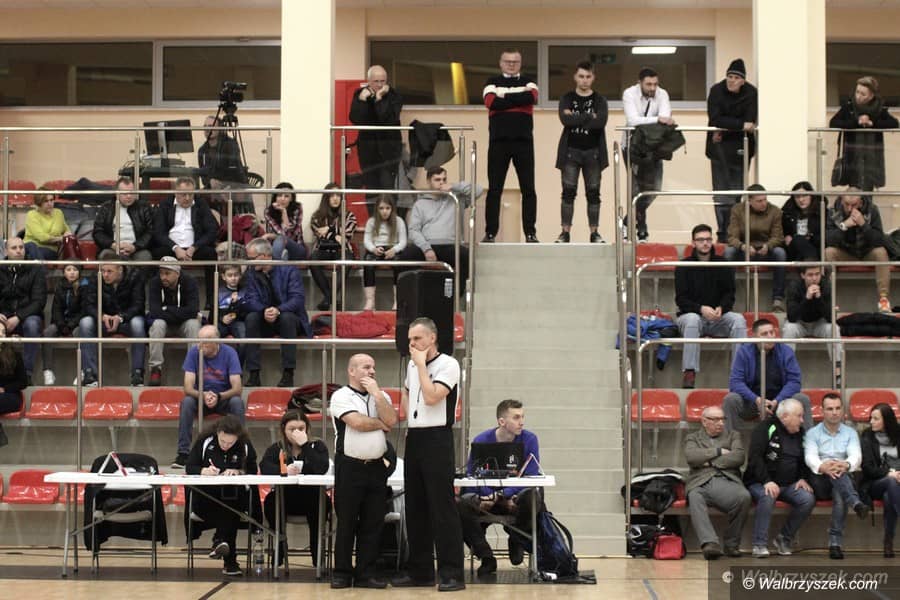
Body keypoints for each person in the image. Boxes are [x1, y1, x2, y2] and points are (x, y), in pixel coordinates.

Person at [393, 317, 465, 592]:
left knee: (442, 507)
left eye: (417, 339)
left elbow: (433, 396)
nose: (412, 344)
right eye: (410, 340)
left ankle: (452, 573)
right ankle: (420, 571)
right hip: (416, 438)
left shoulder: (448, 364)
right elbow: (407, 392)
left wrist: (422, 365)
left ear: (432, 338)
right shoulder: (412, 365)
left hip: (437, 438)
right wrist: (411, 418)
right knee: (415, 507)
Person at [329, 353, 398, 589]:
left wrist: (377, 394)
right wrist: (380, 424)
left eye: (373, 367)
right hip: (350, 466)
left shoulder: (382, 396)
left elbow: (392, 419)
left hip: (376, 467)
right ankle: (341, 573)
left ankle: (366, 573)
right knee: (347, 522)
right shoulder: (341, 396)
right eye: (366, 367)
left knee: (373, 523)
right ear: (352, 371)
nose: (372, 371)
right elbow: (357, 423)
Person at [457, 399, 541, 577]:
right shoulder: (481, 440)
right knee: (461, 504)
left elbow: (531, 475)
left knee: (533, 498)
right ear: (502, 421)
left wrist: (504, 494)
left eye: (522, 417)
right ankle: (486, 556)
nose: (521, 422)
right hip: (486, 499)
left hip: (513, 500)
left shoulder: (530, 439)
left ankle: (517, 537)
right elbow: (472, 475)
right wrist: (490, 496)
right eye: (516, 417)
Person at [185, 414, 258, 577]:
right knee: (229, 512)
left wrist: (239, 471)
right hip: (206, 498)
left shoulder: (245, 445)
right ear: (218, 433)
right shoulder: (205, 441)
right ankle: (229, 560)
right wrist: (204, 470)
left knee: (230, 506)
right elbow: (190, 467)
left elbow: (253, 469)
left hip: (233, 497)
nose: (226, 445)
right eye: (223, 441)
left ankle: (220, 541)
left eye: (230, 443)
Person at [674, 224, 746, 389]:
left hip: (718, 317)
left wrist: (722, 308)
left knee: (739, 320)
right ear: (693, 243)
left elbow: (730, 294)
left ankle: (738, 374)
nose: (705, 243)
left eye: (708, 239)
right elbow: (681, 300)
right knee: (692, 320)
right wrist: (701, 309)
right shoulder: (683, 266)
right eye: (700, 240)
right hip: (692, 316)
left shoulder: (723, 264)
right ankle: (689, 372)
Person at [743, 398, 815, 558]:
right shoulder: (765, 428)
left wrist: (803, 478)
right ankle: (759, 544)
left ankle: (784, 538)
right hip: (760, 482)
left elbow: (804, 459)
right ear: (785, 416)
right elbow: (755, 458)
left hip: (789, 484)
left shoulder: (800, 432)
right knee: (768, 495)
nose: (802, 420)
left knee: (807, 499)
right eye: (799, 416)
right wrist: (767, 481)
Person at [259, 409, 330, 566]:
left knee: (322, 502)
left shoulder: (317, 446)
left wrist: (305, 445)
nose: (297, 433)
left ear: (307, 429)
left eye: (301, 428)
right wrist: (283, 470)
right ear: (284, 430)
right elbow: (264, 467)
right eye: (292, 429)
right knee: (270, 501)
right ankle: (280, 547)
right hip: (285, 497)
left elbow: (321, 467)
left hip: (312, 496)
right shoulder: (277, 448)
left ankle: (317, 553)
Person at [482, 48, 539, 244]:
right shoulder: (491, 81)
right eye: (508, 61)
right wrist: (517, 99)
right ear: (501, 63)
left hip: (524, 142)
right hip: (498, 142)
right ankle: (490, 233)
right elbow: (491, 102)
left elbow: (531, 97)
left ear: (520, 63)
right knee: (494, 190)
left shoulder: (529, 81)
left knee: (528, 189)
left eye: (515, 62)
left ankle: (530, 233)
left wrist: (503, 96)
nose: (511, 65)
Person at [803, 392, 869, 559]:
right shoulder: (812, 433)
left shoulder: (850, 433)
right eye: (830, 409)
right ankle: (855, 503)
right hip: (820, 480)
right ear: (822, 411)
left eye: (838, 408)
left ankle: (835, 545)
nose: (834, 412)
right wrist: (823, 466)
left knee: (840, 493)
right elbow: (810, 457)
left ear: (842, 410)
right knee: (839, 479)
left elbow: (856, 456)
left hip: (842, 477)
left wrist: (845, 464)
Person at [684, 405, 750, 560]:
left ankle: (731, 543)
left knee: (744, 497)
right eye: (715, 419)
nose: (721, 423)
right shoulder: (693, 438)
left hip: (726, 479)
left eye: (722, 419)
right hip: (699, 481)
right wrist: (718, 451)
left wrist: (709, 463)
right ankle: (710, 543)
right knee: (694, 496)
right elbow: (692, 457)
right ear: (704, 421)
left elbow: (738, 457)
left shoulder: (733, 435)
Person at [172, 325, 244, 468]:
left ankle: (240, 451)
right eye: (199, 340)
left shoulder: (230, 353)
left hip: (222, 398)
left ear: (216, 341)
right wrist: (203, 395)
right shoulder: (194, 352)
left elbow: (237, 388)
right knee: (187, 402)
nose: (200, 344)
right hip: (200, 398)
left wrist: (219, 396)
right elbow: (188, 387)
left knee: (237, 402)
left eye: (205, 341)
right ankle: (183, 453)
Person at [722, 318, 812, 431]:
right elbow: (735, 382)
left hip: (780, 402)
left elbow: (794, 382)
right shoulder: (744, 352)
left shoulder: (786, 351)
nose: (770, 336)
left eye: (772, 332)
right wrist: (757, 400)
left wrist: (776, 401)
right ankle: (729, 440)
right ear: (755, 337)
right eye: (765, 334)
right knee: (730, 399)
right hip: (751, 402)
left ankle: (809, 441)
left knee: (802, 398)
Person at [243, 238, 310, 388]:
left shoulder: (289, 270)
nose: (249, 262)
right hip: (265, 317)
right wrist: (263, 310)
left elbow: (297, 299)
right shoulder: (251, 273)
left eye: (252, 258)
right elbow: (249, 299)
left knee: (287, 318)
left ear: (266, 255)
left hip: (289, 318)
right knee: (251, 318)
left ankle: (288, 373)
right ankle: (254, 374)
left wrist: (279, 310)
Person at [555, 60, 608, 244]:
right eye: (581, 76)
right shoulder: (567, 98)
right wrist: (589, 116)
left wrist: (576, 117)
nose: (584, 80)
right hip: (571, 152)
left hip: (593, 153)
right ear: (575, 77)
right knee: (568, 192)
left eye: (588, 76)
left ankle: (594, 233)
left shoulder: (600, 100)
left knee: (593, 193)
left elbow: (600, 122)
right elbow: (565, 120)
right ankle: (565, 233)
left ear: (593, 78)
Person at [397, 167, 470, 298]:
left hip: (449, 245)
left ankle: (455, 300)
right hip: (426, 245)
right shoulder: (420, 204)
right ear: (429, 181)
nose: (441, 183)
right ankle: (406, 299)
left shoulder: (455, 199)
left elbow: (477, 191)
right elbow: (413, 230)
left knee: (465, 256)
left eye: (444, 179)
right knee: (403, 258)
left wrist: (454, 186)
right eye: (437, 180)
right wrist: (426, 249)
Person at [706, 58, 758, 243]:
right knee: (721, 194)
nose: (732, 80)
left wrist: (728, 125)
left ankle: (734, 233)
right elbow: (715, 119)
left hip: (741, 149)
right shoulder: (716, 90)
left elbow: (751, 119)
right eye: (729, 76)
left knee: (737, 194)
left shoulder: (751, 93)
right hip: (718, 149)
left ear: (743, 80)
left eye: (736, 78)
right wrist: (739, 124)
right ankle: (722, 233)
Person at [622, 67, 674, 242]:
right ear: (640, 83)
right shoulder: (629, 93)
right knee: (637, 189)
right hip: (633, 147)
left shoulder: (662, 94)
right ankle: (641, 230)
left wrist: (660, 120)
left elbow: (665, 119)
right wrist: (657, 119)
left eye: (655, 84)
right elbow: (632, 120)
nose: (652, 88)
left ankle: (627, 221)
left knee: (654, 189)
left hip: (654, 148)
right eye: (648, 84)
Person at [151, 176, 219, 307]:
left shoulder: (200, 203)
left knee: (211, 254)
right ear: (175, 192)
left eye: (190, 194)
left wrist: (194, 247)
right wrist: (175, 248)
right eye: (183, 194)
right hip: (171, 248)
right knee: (156, 254)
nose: (187, 198)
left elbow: (212, 230)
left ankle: (211, 302)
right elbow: (158, 232)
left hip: (194, 248)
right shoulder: (166, 204)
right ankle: (160, 301)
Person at [825, 189, 891, 312]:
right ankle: (830, 300)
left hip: (867, 252)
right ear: (842, 200)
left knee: (881, 252)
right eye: (846, 204)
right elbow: (828, 240)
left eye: (854, 205)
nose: (850, 209)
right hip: (845, 253)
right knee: (828, 252)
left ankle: (883, 299)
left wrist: (863, 224)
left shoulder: (872, 210)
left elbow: (879, 240)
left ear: (860, 202)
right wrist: (844, 226)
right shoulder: (832, 211)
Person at [348, 65, 403, 214]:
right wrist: (362, 100)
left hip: (389, 151)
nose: (379, 84)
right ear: (368, 81)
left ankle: (390, 223)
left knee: (387, 188)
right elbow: (355, 119)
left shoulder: (394, 96)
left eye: (382, 81)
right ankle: (373, 222)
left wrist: (379, 99)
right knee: (371, 189)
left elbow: (387, 119)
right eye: (376, 81)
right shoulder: (360, 94)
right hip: (367, 150)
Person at [828, 76, 899, 191]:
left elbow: (894, 123)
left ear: (871, 95)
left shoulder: (879, 108)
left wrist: (872, 123)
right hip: (852, 156)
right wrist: (856, 122)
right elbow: (833, 123)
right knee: (853, 189)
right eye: (857, 92)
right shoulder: (849, 107)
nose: (858, 96)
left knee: (868, 189)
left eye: (863, 94)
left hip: (872, 157)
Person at [723, 184, 786, 312]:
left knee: (780, 253)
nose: (764, 203)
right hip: (744, 250)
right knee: (728, 252)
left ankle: (777, 299)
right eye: (759, 201)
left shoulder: (775, 211)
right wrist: (743, 246)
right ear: (749, 201)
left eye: (765, 199)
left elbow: (778, 237)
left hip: (766, 250)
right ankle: (727, 298)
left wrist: (768, 246)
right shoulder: (737, 210)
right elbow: (731, 237)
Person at [83, 263, 147, 386]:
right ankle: (90, 374)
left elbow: (138, 305)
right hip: (103, 322)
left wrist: (121, 317)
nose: (105, 275)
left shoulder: (135, 276)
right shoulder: (96, 277)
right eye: (103, 271)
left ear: (120, 270)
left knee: (138, 323)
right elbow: (88, 305)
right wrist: (102, 316)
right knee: (85, 322)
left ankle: (137, 374)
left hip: (126, 321)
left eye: (109, 271)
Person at [146, 256, 201, 386]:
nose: (163, 277)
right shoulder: (154, 283)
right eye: (161, 273)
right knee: (157, 324)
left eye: (167, 273)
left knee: (194, 324)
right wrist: (179, 312)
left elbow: (193, 311)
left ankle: (194, 370)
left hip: (184, 325)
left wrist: (167, 309)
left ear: (177, 273)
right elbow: (155, 312)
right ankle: (155, 369)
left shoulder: (189, 282)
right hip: (165, 325)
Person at [0, 237, 47, 385]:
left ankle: (27, 374)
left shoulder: (35, 268)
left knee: (32, 325)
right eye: (14, 248)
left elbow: (39, 301)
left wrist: (18, 317)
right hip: (4, 314)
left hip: (28, 315)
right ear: (6, 251)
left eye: (21, 247)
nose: (19, 251)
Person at [41, 264, 96, 386]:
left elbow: (85, 309)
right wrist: (61, 325)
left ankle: (82, 370)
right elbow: (56, 309)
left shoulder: (85, 286)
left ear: (79, 272)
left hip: (76, 323)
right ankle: (47, 370)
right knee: (48, 332)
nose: (72, 272)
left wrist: (71, 325)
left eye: (75, 270)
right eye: (68, 270)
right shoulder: (60, 286)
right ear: (64, 272)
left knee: (79, 333)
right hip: (62, 322)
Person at [309, 183, 357, 311]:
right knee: (313, 260)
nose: (335, 198)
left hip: (342, 249)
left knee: (348, 260)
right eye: (332, 195)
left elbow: (347, 235)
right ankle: (330, 297)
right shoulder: (317, 216)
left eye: (338, 195)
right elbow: (319, 233)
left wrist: (329, 230)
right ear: (326, 198)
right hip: (323, 249)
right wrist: (336, 234)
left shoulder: (349, 216)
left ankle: (328, 299)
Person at [861, 403, 900, 557]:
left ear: (887, 420)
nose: (871, 421)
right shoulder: (867, 436)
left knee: (889, 497)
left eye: (876, 418)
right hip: (875, 483)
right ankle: (888, 541)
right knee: (891, 482)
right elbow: (868, 468)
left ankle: (888, 541)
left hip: (897, 483)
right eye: (871, 418)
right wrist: (889, 473)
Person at [783, 264, 840, 363]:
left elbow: (831, 318)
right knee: (789, 328)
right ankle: (786, 367)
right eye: (810, 275)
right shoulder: (794, 286)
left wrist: (819, 298)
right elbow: (792, 317)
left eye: (817, 274)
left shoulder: (826, 285)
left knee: (834, 328)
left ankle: (837, 368)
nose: (814, 278)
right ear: (802, 275)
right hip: (800, 323)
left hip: (819, 323)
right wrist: (807, 298)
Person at [197, 115, 251, 215]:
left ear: (219, 129)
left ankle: (228, 222)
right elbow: (203, 175)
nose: (207, 129)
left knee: (222, 197)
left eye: (211, 126)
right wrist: (210, 182)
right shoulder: (202, 150)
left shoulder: (230, 144)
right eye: (205, 126)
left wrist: (220, 184)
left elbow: (234, 170)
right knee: (196, 197)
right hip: (212, 187)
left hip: (232, 184)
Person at [92, 176, 154, 261]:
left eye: (131, 193)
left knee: (145, 257)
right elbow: (97, 232)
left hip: (137, 249)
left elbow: (150, 231)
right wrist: (113, 245)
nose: (129, 196)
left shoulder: (144, 207)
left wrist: (135, 246)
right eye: (125, 193)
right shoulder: (106, 208)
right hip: (112, 248)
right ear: (117, 193)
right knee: (105, 256)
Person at [362, 194, 407, 310]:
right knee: (368, 263)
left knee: (399, 263)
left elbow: (403, 241)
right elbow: (367, 240)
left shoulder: (399, 221)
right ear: (377, 209)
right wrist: (373, 249)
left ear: (392, 208)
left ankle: (397, 300)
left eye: (387, 208)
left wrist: (394, 250)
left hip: (393, 248)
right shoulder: (371, 221)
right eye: (381, 208)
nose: (384, 211)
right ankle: (370, 300)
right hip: (376, 249)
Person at [263, 182, 307, 262]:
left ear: (291, 199)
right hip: (277, 248)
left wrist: (284, 212)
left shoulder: (297, 208)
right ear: (275, 197)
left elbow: (289, 236)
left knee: (281, 239)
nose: (282, 199)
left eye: (286, 196)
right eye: (279, 195)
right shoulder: (268, 211)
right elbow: (282, 234)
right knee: (283, 253)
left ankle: (276, 264)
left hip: (296, 247)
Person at [0, 322, 27, 447]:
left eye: (3, 332)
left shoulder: (14, 354)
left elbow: (23, 382)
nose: (1, 334)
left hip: (10, 395)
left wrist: (4, 389)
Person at [781, 181, 823, 261]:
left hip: (814, 247)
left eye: (804, 195)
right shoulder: (788, 213)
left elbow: (824, 236)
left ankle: (809, 265)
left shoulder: (820, 212)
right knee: (797, 239)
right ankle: (812, 265)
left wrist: (810, 237)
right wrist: (786, 236)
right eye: (797, 197)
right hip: (794, 249)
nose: (801, 200)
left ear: (811, 196)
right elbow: (784, 232)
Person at [23, 191, 71, 260]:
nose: (50, 203)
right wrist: (60, 238)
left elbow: (67, 231)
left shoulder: (58, 213)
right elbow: (42, 238)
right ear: (39, 203)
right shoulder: (32, 215)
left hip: (50, 250)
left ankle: (40, 267)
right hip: (30, 247)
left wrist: (67, 234)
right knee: (31, 246)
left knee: (35, 255)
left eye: (51, 200)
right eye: (46, 201)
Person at [216, 264, 247, 364]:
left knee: (244, 341)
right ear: (223, 277)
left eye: (236, 275)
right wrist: (221, 318)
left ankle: (236, 369)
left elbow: (246, 313)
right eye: (230, 275)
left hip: (238, 322)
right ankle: (217, 368)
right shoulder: (218, 291)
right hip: (222, 322)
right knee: (211, 338)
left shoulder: (244, 291)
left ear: (240, 276)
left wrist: (235, 303)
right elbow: (212, 314)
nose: (233, 278)